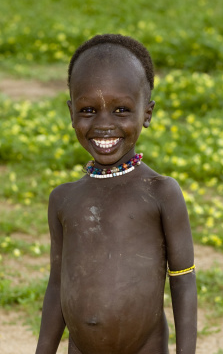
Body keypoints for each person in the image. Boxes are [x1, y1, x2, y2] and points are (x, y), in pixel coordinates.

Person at [35, 34, 197, 354]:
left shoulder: (161, 193)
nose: (104, 124)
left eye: (122, 109)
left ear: (147, 113)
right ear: (71, 113)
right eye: (88, 110)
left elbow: (183, 280)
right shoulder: (64, 199)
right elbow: (57, 286)